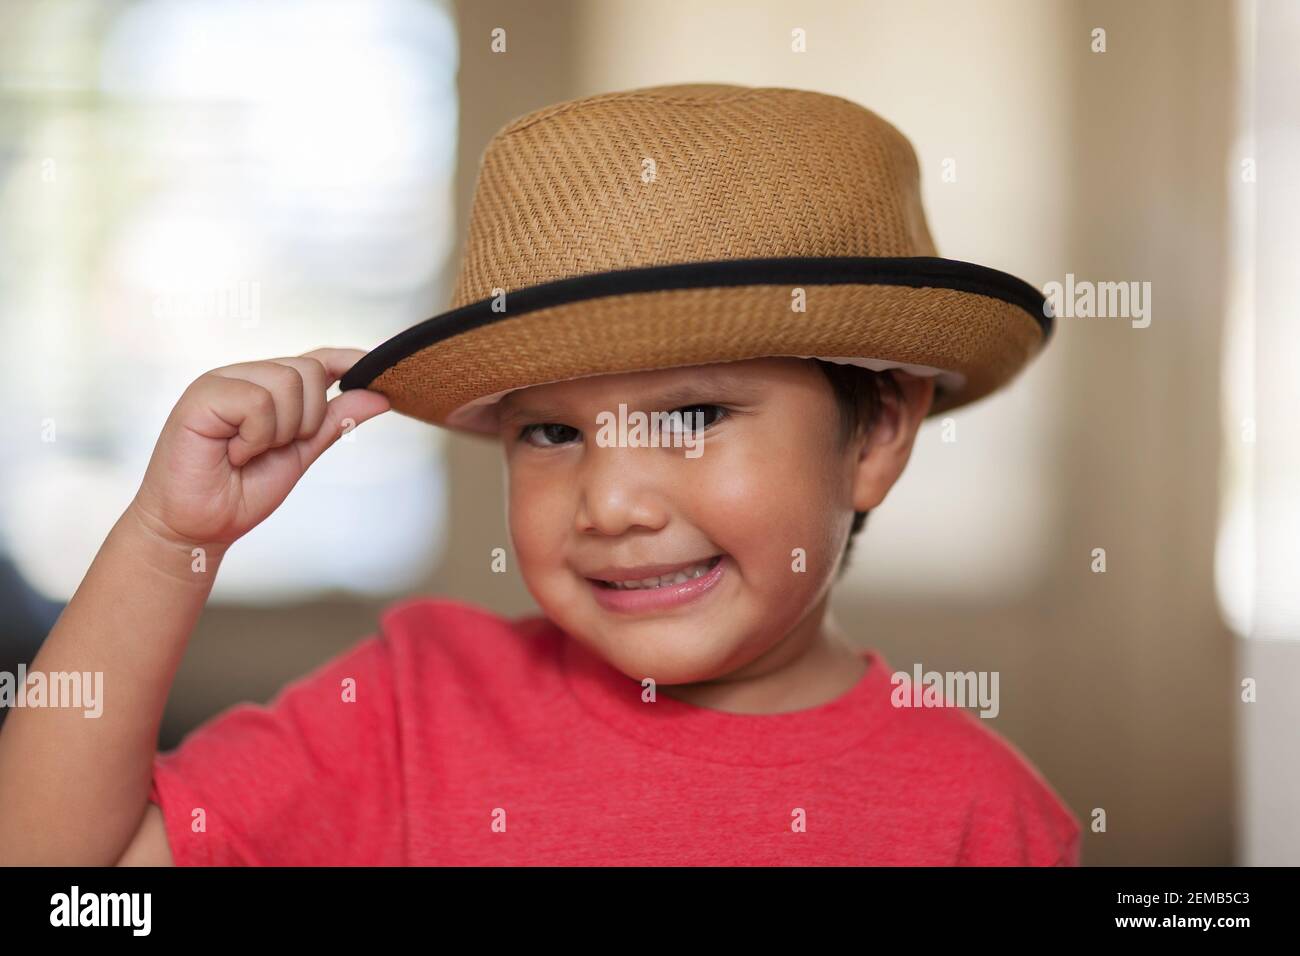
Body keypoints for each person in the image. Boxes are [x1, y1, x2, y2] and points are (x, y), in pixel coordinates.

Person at [0, 83, 1079, 865]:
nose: (609, 504)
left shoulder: (980, 815)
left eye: (694, 414)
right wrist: (164, 540)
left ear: (878, 431)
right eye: (552, 434)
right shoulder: (412, 705)